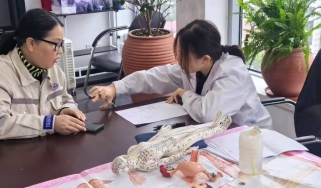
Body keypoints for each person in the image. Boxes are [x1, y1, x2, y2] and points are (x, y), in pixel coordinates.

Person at [91, 19, 272, 129]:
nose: (177, 59)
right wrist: (115, 88)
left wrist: (185, 95)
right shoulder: (194, 66)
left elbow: (208, 114)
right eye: (177, 52)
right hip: (220, 134)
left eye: (182, 55)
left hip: (252, 137)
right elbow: (154, 77)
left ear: (205, 59)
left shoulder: (232, 73)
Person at [0, 9, 86, 140]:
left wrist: (65, 109)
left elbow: (65, 99)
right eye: (56, 44)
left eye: (61, 44)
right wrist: (49, 123)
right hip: (9, 151)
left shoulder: (53, 70)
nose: (60, 51)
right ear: (31, 43)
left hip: (46, 147)